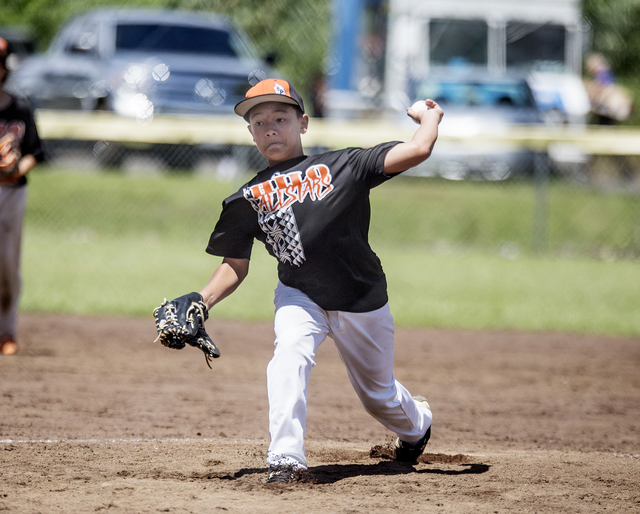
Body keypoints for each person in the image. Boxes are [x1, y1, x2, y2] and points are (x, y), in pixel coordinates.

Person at [193, 78, 442, 483]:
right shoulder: (245, 200)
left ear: (303, 123)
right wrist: (202, 301)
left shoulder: (343, 166)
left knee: (378, 398)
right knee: (289, 353)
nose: (270, 128)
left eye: (281, 117)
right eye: (259, 122)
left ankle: (417, 426)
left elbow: (418, 149)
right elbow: (234, 265)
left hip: (362, 297)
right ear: (251, 132)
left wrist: (429, 116)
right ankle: (285, 458)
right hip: (300, 294)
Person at [0, 37, 44, 355]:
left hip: (13, 194)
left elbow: (36, 152)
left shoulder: (20, 108)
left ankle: (7, 331)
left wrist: (16, 168)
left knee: (8, 267)